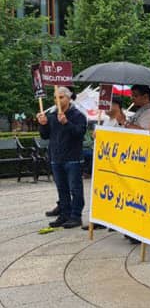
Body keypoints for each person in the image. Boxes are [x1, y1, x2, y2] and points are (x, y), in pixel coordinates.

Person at [37, 87, 87, 228]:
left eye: (61, 97)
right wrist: (43, 124)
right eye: (55, 98)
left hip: (73, 158)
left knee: (75, 189)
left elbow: (79, 133)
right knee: (62, 188)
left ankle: (76, 216)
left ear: (69, 98)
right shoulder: (52, 115)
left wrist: (66, 123)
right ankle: (64, 214)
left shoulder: (78, 115)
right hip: (56, 157)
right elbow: (45, 135)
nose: (57, 101)